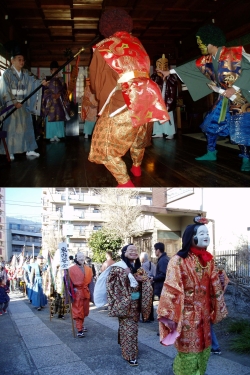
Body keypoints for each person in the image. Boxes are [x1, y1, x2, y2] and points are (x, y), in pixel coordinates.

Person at [88, 8, 169, 187]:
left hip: (124, 100)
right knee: (139, 137)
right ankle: (137, 167)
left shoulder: (104, 46)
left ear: (105, 26)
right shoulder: (138, 43)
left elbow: (96, 81)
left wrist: (100, 96)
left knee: (103, 147)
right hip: (148, 99)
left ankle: (124, 183)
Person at [157, 24, 250, 171]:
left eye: (201, 42)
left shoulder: (233, 53)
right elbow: (190, 67)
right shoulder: (207, 59)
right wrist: (169, 72)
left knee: (241, 129)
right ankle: (211, 152)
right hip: (223, 97)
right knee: (209, 124)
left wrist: (234, 88)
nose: (199, 45)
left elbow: (248, 70)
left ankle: (246, 159)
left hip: (240, 98)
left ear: (210, 42)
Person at [157, 216, 228, 375]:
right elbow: (171, 289)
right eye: (201, 233)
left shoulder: (209, 261)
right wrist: (169, 315)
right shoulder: (178, 261)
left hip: (204, 316)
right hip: (187, 316)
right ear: (191, 237)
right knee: (188, 355)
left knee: (204, 352)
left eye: (207, 233)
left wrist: (221, 280)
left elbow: (214, 286)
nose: (206, 236)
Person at [106, 244, 153, 366]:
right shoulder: (118, 267)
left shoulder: (139, 268)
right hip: (125, 304)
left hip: (135, 304)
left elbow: (146, 280)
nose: (134, 252)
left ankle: (126, 347)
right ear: (124, 253)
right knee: (130, 329)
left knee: (130, 329)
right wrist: (128, 276)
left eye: (135, 250)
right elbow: (111, 283)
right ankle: (130, 355)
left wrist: (143, 279)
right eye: (130, 250)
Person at [0, 42, 47, 160]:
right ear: (12, 61)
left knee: (27, 126)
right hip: (12, 105)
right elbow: (5, 90)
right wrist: (14, 102)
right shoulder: (7, 74)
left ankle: (29, 149)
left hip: (24, 104)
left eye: (23, 60)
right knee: (11, 128)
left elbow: (33, 82)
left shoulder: (25, 73)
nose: (22, 62)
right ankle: (10, 151)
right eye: (19, 59)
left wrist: (41, 83)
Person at [151, 54, 178, 139]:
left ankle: (170, 132)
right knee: (157, 114)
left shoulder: (171, 76)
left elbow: (174, 85)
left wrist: (168, 76)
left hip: (168, 98)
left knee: (168, 114)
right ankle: (158, 132)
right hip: (157, 98)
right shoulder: (154, 76)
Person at [42, 60, 68, 142]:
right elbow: (44, 90)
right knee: (51, 118)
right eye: (54, 70)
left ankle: (58, 135)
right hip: (50, 102)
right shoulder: (47, 79)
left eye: (57, 69)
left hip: (59, 102)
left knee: (59, 118)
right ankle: (51, 135)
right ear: (51, 70)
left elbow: (65, 90)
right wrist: (51, 95)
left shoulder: (61, 80)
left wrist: (60, 94)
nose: (56, 71)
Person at [68, 252, 93, 338]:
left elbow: (91, 283)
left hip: (86, 292)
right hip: (77, 293)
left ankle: (81, 325)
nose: (81, 258)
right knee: (78, 311)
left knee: (85, 311)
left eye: (83, 257)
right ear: (76, 258)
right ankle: (79, 329)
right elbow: (68, 283)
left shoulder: (89, 269)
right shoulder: (71, 269)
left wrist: (92, 295)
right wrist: (69, 293)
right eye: (79, 257)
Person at [140, 251, 156, 322]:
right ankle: (151, 316)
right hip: (152, 283)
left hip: (146, 285)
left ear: (143, 258)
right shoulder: (152, 264)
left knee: (145, 301)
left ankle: (146, 318)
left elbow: (143, 276)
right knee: (151, 301)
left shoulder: (143, 265)